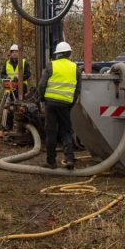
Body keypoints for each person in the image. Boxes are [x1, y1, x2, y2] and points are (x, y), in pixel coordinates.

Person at [37, 41, 82, 169]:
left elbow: (42, 85)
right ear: (69, 54)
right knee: (66, 131)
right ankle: (69, 159)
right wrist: (70, 103)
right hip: (65, 104)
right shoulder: (76, 68)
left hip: (50, 103)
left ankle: (51, 162)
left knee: (51, 131)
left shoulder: (51, 65)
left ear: (58, 54)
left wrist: (42, 99)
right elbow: (77, 90)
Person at [1, 44, 31, 130]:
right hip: (9, 88)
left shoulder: (24, 62)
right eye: (12, 52)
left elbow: (28, 74)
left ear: (19, 53)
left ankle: (22, 127)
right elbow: (2, 74)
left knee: (21, 107)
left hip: (22, 88)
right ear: (10, 53)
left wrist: (19, 79)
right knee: (8, 107)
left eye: (16, 52)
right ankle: (7, 126)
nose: (14, 54)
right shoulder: (6, 63)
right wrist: (5, 78)